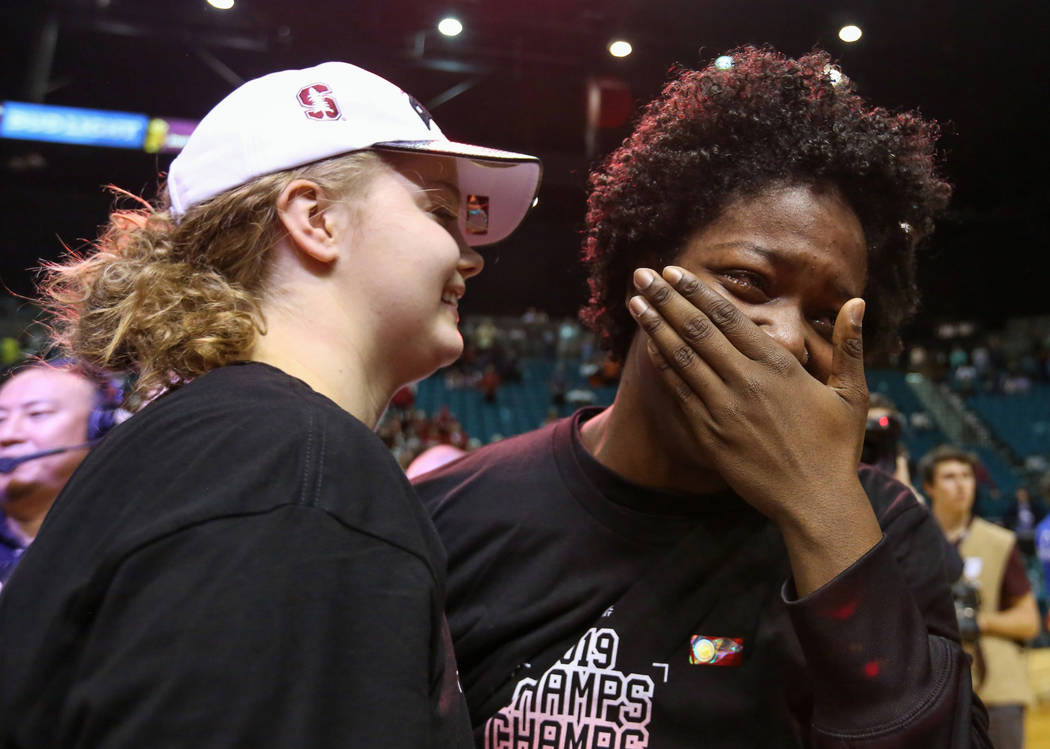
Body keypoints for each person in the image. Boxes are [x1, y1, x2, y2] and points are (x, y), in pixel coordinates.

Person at [414, 46, 990, 747]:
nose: (784, 339)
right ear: (640, 276)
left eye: (822, 316)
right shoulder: (453, 517)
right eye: (747, 281)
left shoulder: (884, 531)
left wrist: (822, 508)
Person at [0, 62, 540, 747]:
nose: (471, 257)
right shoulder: (297, 464)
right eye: (437, 210)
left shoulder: (223, 442)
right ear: (315, 218)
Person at [920, 446, 1040, 749]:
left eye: (967, 476)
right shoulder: (913, 544)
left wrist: (977, 621)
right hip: (931, 689)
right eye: (949, 477)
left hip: (997, 689)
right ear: (929, 487)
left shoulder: (1000, 541)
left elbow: (1029, 622)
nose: (961, 485)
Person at [0, 363, 117, 585]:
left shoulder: (126, 536)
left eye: (37, 414)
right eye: (0, 419)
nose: (7, 434)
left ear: (98, 429)